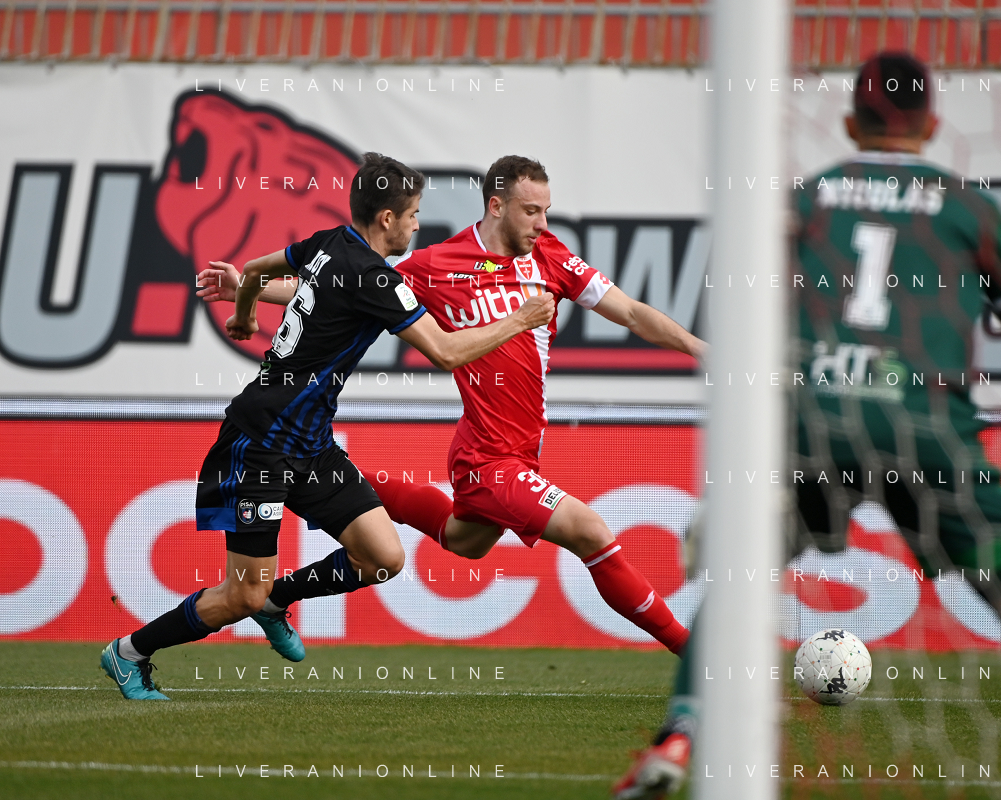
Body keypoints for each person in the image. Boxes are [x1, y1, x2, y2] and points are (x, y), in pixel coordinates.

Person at [613, 52, 1001, 800]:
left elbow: (740, 328)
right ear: (933, 124)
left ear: (851, 123)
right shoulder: (969, 210)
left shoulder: (805, 201)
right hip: (928, 429)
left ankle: (679, 735)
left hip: (815, 422)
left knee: (742, 578)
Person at [203, 155, 705, 655]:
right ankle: (691, 651)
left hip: (521, 448)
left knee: (467, 541)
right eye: (531, 211)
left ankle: (300, 557)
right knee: (590, 531)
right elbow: (340, 289)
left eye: (546, 211)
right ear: (497, 206)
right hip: (487, 458)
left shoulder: (551, 257)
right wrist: (250, 289)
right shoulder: (438, 265)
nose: (542, 224)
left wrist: (701, 349)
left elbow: (632, 313)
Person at [102, 153, 554, 700]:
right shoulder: (376, 279)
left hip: (311, 445)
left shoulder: (329, 243)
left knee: (383, 558)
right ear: (386, 218)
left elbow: (256, 270)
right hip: (260, 444)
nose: (417, 225)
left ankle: (277, 601)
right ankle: (130, 652)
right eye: (413, 214)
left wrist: (244, 312)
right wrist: (520, 320)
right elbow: (446, 352)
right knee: (241, 595)